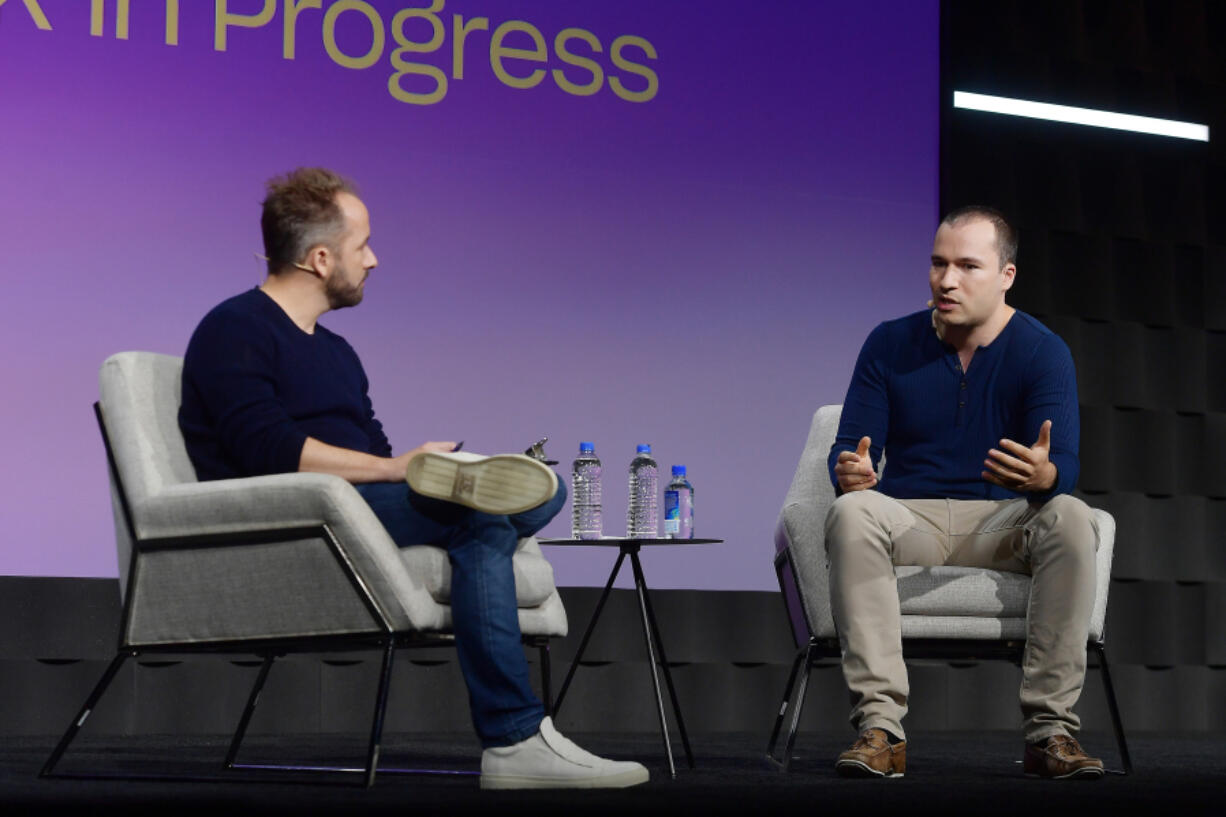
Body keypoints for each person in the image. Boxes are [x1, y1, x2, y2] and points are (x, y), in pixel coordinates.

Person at [178, 167, 648, 790]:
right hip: (296, 518)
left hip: (358, 506)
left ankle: (520, 734)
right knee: (481, 515)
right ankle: (513, 739)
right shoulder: (234, 328)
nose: (374, 260)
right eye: (361, 245)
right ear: (321, 258)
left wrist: (430, 471)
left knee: (543, 489)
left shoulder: (339, 353)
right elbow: (268, 450)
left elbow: (372, 448)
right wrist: (399, 470)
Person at [824, 206, 1104, 780]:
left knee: (1073, 517)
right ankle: (880, 729)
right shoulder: (889, 343)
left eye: (967, 266)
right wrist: (848, 470)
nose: (946, 281)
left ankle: (1051, 732)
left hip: (1000, 523)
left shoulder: (1042, 351)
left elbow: (1065, 465)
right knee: (851, 513)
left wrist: (1045, 477)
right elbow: (849, 450)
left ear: (1006, 275)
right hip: (909, 518)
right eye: (937, 263)